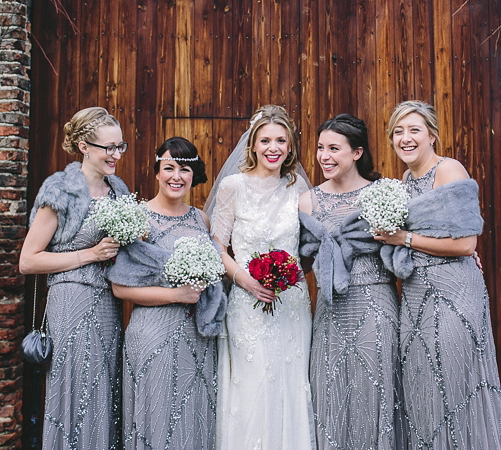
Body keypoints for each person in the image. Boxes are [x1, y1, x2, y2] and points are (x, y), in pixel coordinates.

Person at [374, 100, 501, 450]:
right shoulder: (405, 179)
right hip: (416, 292)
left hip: (453, 290)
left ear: (432, 134)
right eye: (398, 132)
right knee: (423, 386)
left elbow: (465, 244)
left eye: (414, 130)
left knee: (454, 382)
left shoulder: (449, 170)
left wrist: (402, 238)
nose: (406, 138)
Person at [19, 107, 129, 450]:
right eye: (107, 147)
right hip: (71, 302)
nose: (115, 155)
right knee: (76, 388)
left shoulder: (118, 191)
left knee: (104, 388)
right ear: (83, 146)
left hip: (108, 305)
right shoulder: (62, 190)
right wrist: (89, 255)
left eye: (119, 146)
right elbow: (28, 260)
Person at [207, 105, 316, 450]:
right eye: (265, 140)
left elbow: (316, 242)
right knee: (250, 386)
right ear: (252, 145)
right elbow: (217, 246)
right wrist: (243, 278)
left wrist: (291, 275)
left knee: (289, 383)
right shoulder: (232, 186)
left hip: (291, 305)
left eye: (281, 140)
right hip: (246, 304)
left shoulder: (297, 186)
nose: (274, 147)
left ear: (290, 146)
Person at [110, 137, 220, 450]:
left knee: (193, 413)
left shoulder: (201, 219)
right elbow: (120, 286)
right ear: (157, 172)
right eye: (168, 167)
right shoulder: (139, 219)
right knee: (156, 415)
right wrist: (176, 295)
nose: (176, 176)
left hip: (197, 337)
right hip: (152, 333)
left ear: (193, 174)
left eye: (184, 169)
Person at [298, 114, 401, 450]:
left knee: (376, 391)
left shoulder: (382, 193)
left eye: (334, 149)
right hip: (330, 310)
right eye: (320, 148)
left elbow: (410, 238)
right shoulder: (308, 201)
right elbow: (299, 259)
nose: (324, 156)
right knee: (331, 393)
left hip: (375, 304)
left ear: (357, 153)